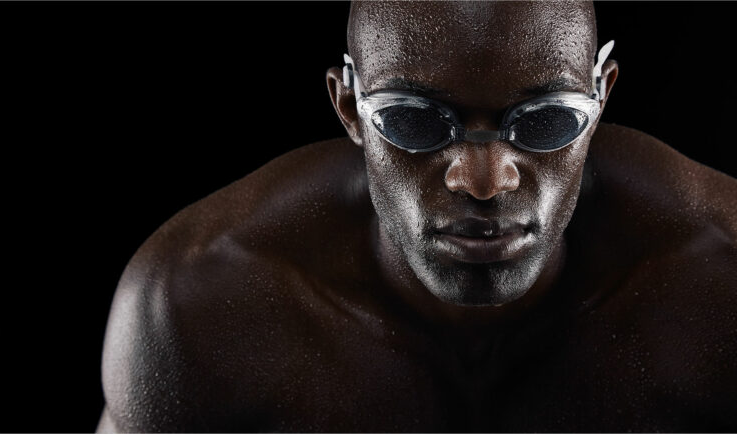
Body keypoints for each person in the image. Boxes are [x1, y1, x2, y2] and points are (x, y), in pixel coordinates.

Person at [98, 1, 737, 431]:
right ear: (349, 107)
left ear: (601, 101)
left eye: (547, 121)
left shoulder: (719, 280)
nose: (484, 181)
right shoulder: (198, 304)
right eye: (414, 121)